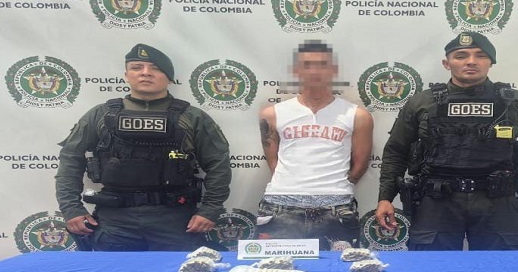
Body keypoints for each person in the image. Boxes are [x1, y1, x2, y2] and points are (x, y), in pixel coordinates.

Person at [375, 32, 518, 251]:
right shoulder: (422, 102)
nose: (471, 61)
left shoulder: (515, 102)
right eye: (461, 56)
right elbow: (396, 151)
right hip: (437, 202)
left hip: (498, 202)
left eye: (480, 56)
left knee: (502, 268)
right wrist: (385, 198)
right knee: (434, 268)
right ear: (447, 63)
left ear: (491, 62)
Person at [56, 43, 231, 251]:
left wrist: (209, 210)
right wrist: (72, 209)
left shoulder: (192, 117)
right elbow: (70, 161)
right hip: (115, 220)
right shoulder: (101, 115)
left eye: (155, 68)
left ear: (170, 77)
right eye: (136, 67)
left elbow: (218, 165)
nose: (145, 73)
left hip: (174, 219)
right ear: (126, 75)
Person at [256, 40, 374, 250]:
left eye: (322, 65)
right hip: (280, 206)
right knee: (274, 268)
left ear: (333, 70)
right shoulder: (272, 114)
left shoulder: (357, 115)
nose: (315, 71)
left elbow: (360, 165)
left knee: (341, 268)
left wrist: (333, 189)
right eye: (307, 65)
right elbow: (273, 162)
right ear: (296, 71)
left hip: (336, 207)